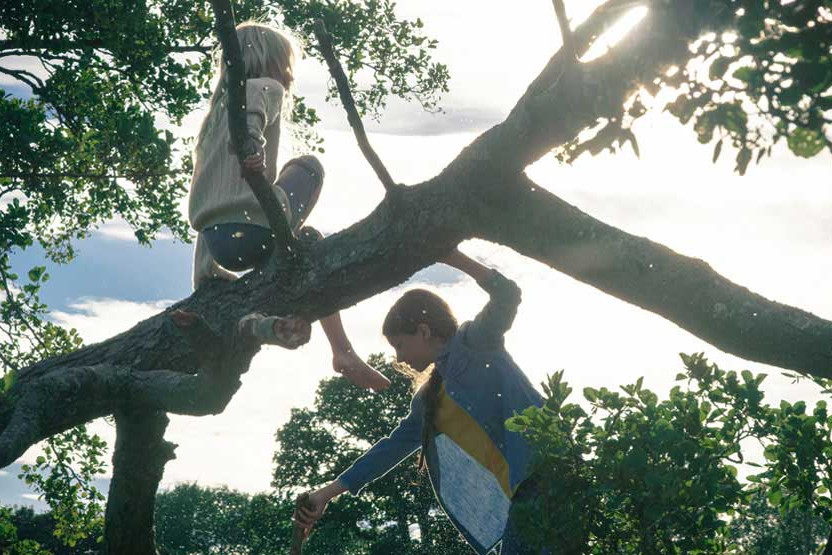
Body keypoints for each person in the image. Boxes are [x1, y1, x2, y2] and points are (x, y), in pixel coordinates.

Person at [294, 249, 548, 554]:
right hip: (520, 502)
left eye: (400, 345)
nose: (399, 357)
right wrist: (327, 494)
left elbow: (507, 295)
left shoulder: (477, 343)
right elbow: (389, 449)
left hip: (547, 480)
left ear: (424, 331)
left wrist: (453, 258)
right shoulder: (429, 401)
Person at [187, 21, 389, 392]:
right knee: (309, 165)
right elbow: (251, 124)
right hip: (254, 230)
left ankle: (293, 257)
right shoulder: (266, 86)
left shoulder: (211, 119)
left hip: (219, 246)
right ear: (271, 61)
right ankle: (341, 349)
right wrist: (251, 147)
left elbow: (209, 198)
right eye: (287, 63)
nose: (289, 74)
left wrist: (204, 274)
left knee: (309, 239)